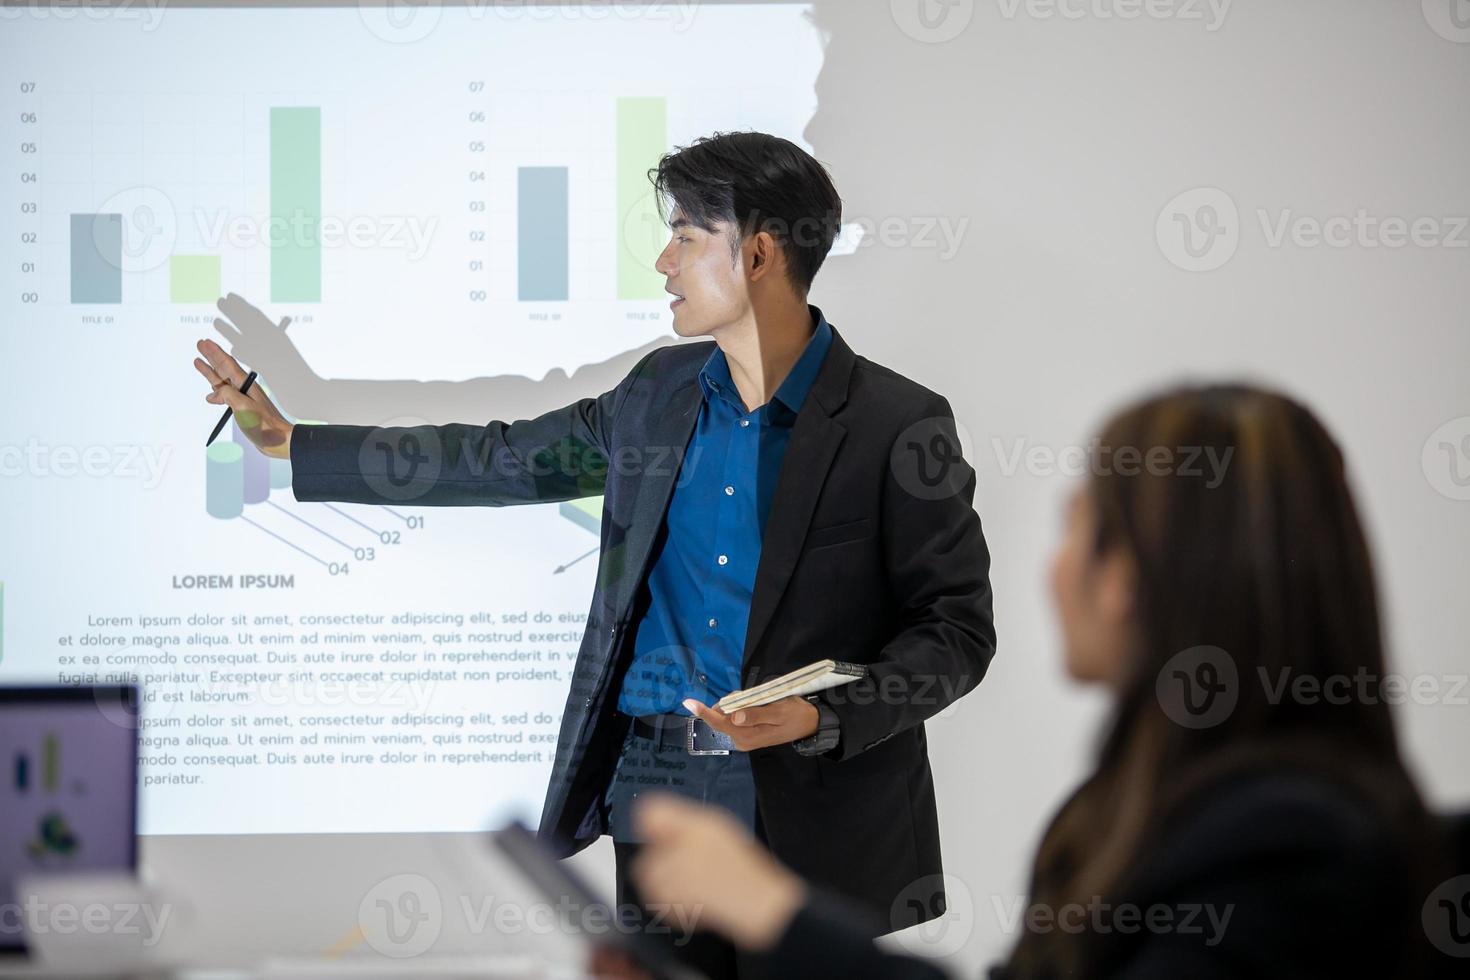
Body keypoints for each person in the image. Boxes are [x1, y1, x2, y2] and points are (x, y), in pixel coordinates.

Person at [192, 131, 997, 979]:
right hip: (656, 782)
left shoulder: (896, 422)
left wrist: (824, 716)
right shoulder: (656, 394)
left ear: (758, 253)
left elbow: (955, 631)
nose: (664, 261)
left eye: (686, 235)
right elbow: (499, 457)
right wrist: (293, 444)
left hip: (814, 802)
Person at [629, 383, 1449, 979]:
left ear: (1125, 577)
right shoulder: (1134, 811)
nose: (1053, 566)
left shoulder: (1288, 847)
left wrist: (775, 914)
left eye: (1077, 525)